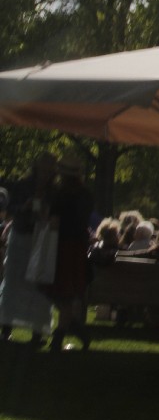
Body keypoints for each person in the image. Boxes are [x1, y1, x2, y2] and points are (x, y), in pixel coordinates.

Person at [0, 152, 58, 347]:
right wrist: (24, 207)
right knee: (13, 282)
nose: (45, 173)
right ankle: (6, 329)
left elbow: (57, 215)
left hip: (41, 238)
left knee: (39, 285)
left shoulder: (54, 191)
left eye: (49, 170)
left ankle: (37, 331)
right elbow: (10, 210)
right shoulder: (23, 185)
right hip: (21, 235)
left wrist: (47, 215)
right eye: (43, 168)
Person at [48, 150, 95, 352]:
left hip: (63, 246)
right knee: (67, 291)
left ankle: (62, 334)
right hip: (78, 246)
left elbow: (54, 222)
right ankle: (72, 326)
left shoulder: (60, 195)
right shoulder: (87, 195)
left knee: (60, 292)